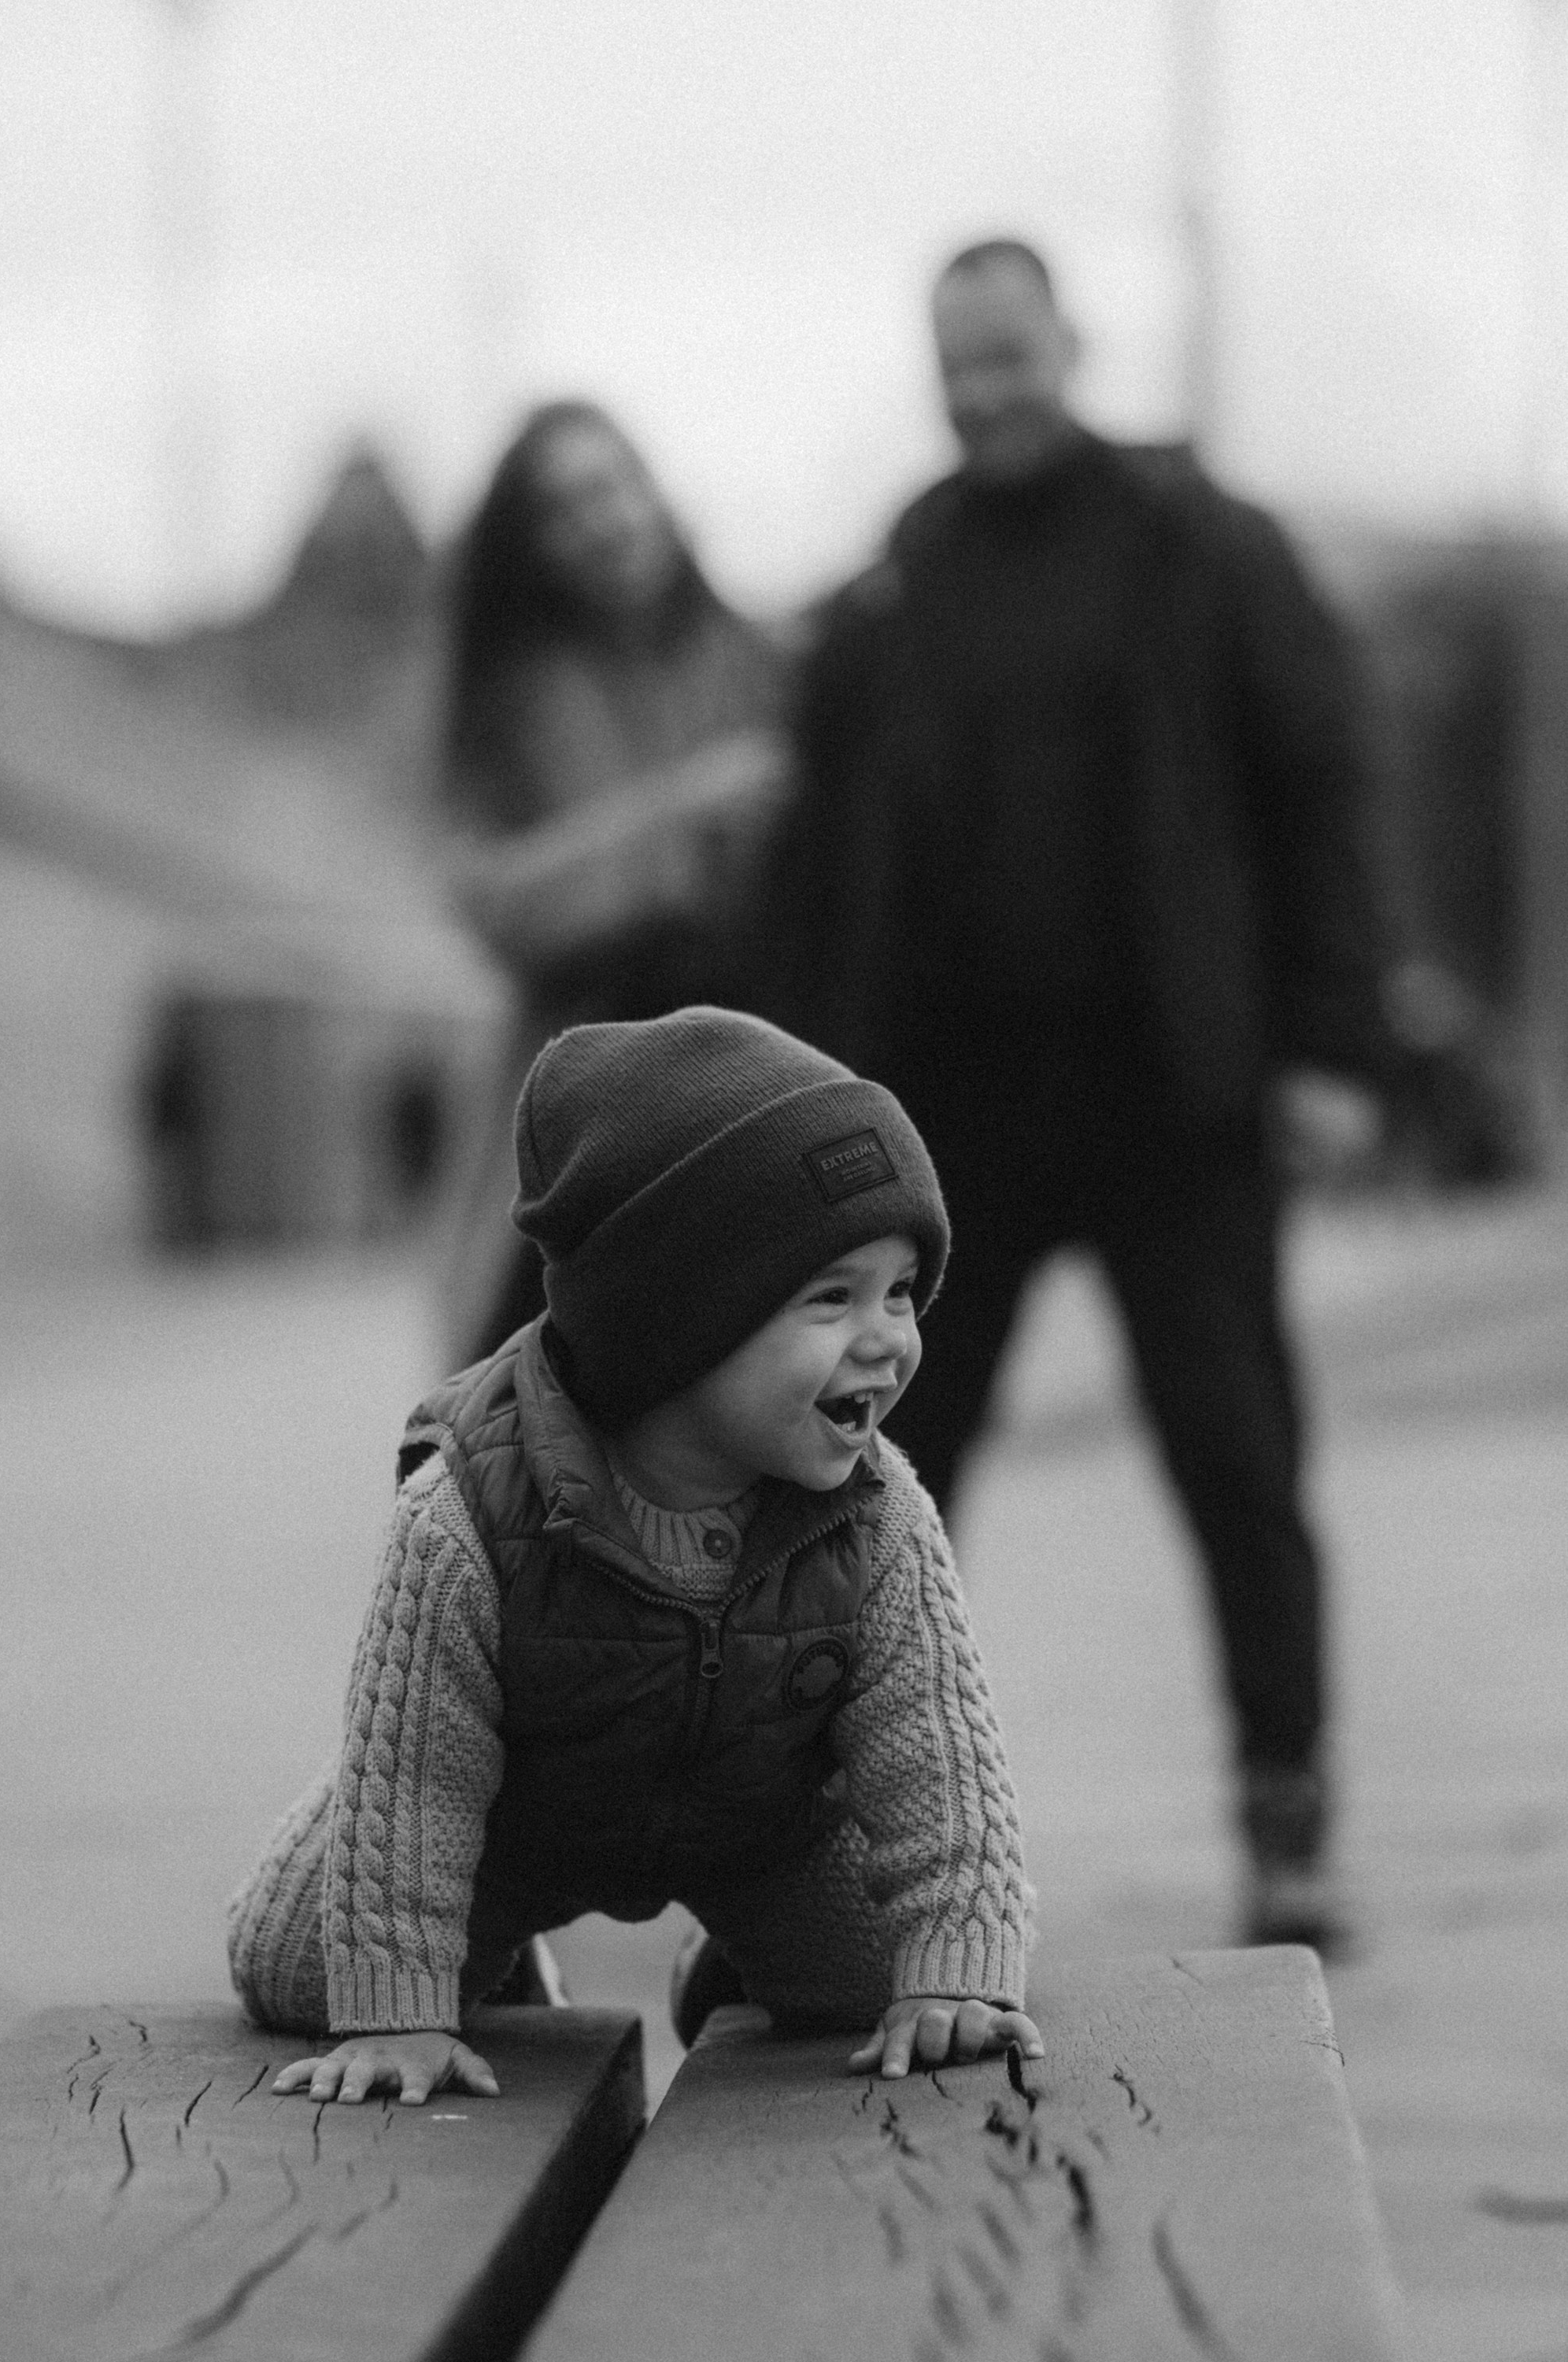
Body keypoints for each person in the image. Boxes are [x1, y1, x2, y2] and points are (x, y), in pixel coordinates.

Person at [761, 238, 1392, 1954]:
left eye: (1009, 359)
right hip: (949, 1117)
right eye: (956, 367)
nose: (984, 395)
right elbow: (822, 868)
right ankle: (845, 1834)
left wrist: (1333, 1043)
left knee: (1234, 1455)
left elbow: (1319, 782)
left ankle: (1286, 1818)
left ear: (1067, 345)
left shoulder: (1204, 547)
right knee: (886, 1467)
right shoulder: (895, 585)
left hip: (1175, 1102)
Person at [227, 1006, 1040, 2102]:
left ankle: (741, 1956)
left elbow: (942, 1763)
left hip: (762, 1824)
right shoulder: (467, 1516)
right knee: (295, 1967)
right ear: (679, 1325)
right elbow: (419, 1776)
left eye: (901, 1290)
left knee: (890, 1979)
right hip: (506, 1826)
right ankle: (485, 1952)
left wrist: (961, 1975)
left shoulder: (875, 1516)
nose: (890, 1335)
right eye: (833, 1297)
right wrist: (400, 2016)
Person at [436, 401, 790, 1370]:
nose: (607, 519)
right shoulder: (506, 705)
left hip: (759, 1100)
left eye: (619, 484)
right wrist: (687, 817)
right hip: (582, 1123)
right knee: (519, 1447)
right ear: (531, 549)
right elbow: (495, 907)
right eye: (565, 508)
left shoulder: (763, 664)